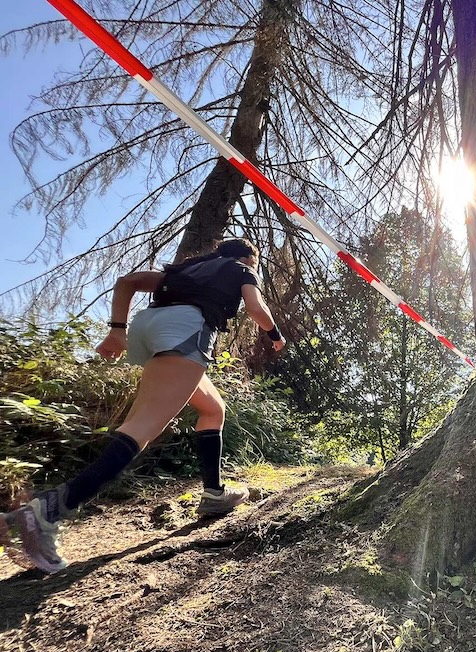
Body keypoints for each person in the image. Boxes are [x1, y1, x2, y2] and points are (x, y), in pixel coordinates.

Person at [0, 238, 285, 574]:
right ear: (249, 258)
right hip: (186, 332)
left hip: (149, 329)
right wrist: (275, 335)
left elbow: (127, 283)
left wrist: (117, 332)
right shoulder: (241, 269)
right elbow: (256, 309)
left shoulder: (186, 269)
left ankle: (214, 493)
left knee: (212, 410)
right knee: (141, 430)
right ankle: (47, 510)